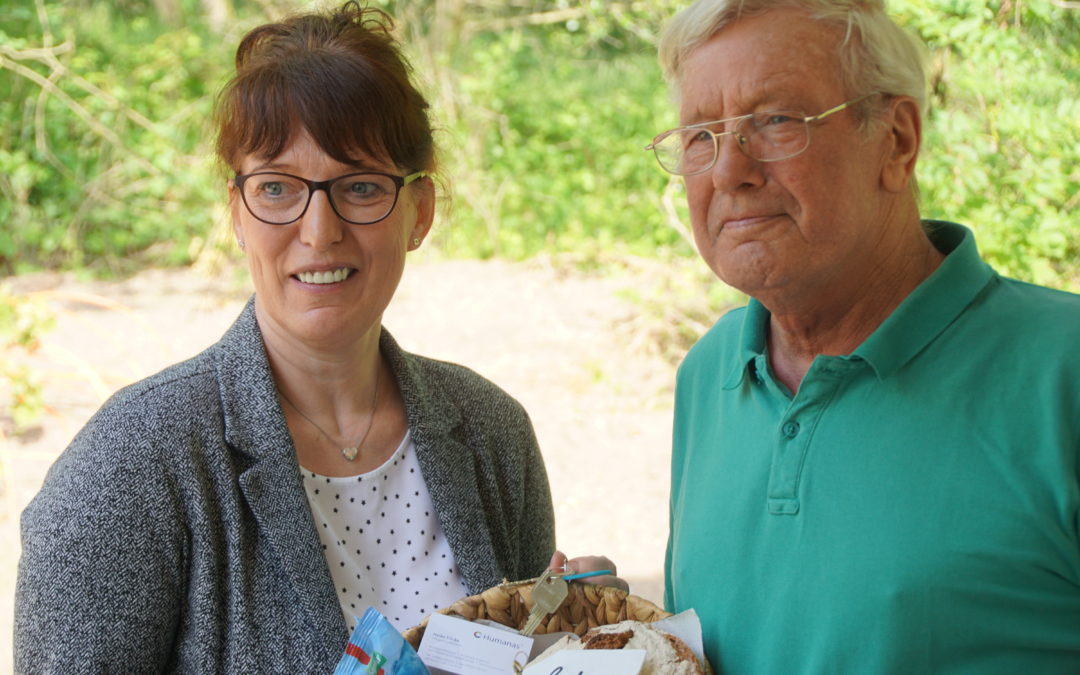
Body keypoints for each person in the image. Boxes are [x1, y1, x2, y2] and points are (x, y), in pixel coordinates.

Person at [14, 3, 620, 671]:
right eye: (278, 187)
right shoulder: (131, 463)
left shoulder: (492, 432)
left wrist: (571, 645)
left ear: (419, 211)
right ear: (237, 213)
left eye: (359, 186)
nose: (319, 229)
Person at [647, 0, 1080, 671]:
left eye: (776, 120)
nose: (729, 170)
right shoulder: (710, 372)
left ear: (897, 141)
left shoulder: (1064, 370)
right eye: (701, 135)